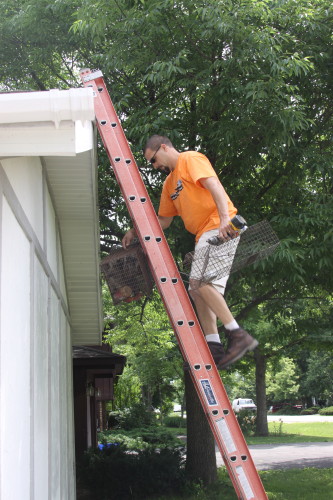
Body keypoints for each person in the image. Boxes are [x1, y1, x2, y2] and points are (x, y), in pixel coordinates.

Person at [122, 135, 258, 369]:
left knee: (200, 281)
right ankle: (214, 347)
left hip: (219, 226)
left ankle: (238, 334)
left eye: (154, 160)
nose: (155, 167)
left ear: (164, 147)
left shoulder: (190, 158)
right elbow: (163, 220)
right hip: (203, 234)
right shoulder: (168, 184)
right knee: (198, 290)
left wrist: (225, 220)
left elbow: (214, 185)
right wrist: (134, 231)